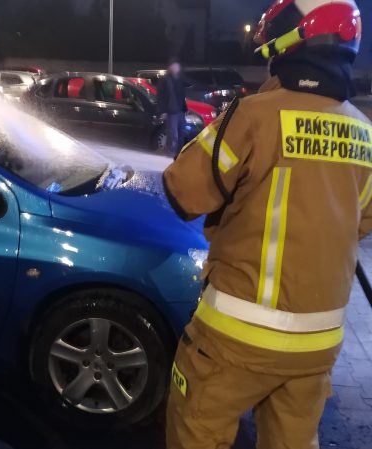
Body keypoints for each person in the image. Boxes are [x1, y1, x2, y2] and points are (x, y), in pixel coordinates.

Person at [162, 1, 367, 448]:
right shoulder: (365, 133)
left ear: (292, 41)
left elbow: (184, 191)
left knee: (196, 428)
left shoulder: (254, 115)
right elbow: (358, 225)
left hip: (236, 337)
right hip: (319, 344)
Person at [157, 58, 188, 158]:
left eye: (177, 66)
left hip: (181, 111)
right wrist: (163, 111)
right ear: (170, 67)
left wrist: (185, 109)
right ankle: (170, 153)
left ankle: (179, 154)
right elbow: (160, 96)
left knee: (181, 133)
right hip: (171, 111)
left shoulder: (180, 79)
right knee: (173, 134)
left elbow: (182, 95)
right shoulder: (165, 79)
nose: (176, 68)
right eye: (174, 66)